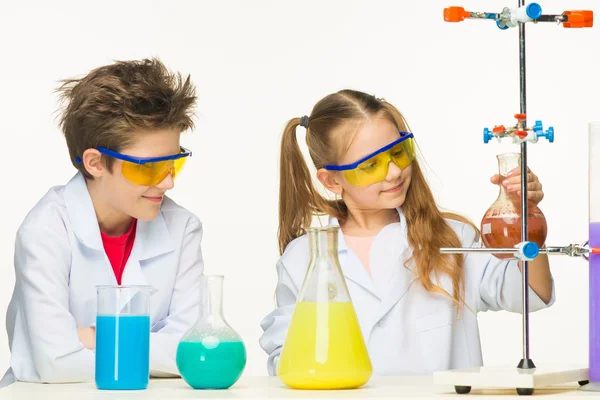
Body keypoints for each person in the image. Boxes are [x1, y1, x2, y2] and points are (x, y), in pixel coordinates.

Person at [259, 89, 554, 376]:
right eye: (371, 165)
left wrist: (526, 218)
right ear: (332, 180)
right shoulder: (303, 257)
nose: (394, 172)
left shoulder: (451, 238)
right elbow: (286, 361)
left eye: (398, 152)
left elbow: (528, 293)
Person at [2, 58, 203, 386]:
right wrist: (150, 345)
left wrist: (92, 336)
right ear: (96, 163)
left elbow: (189, 352)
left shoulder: (183, 227)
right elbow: (56, 363)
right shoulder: (46, 231)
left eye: (174, 164)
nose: (168, 183)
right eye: (149, 168)